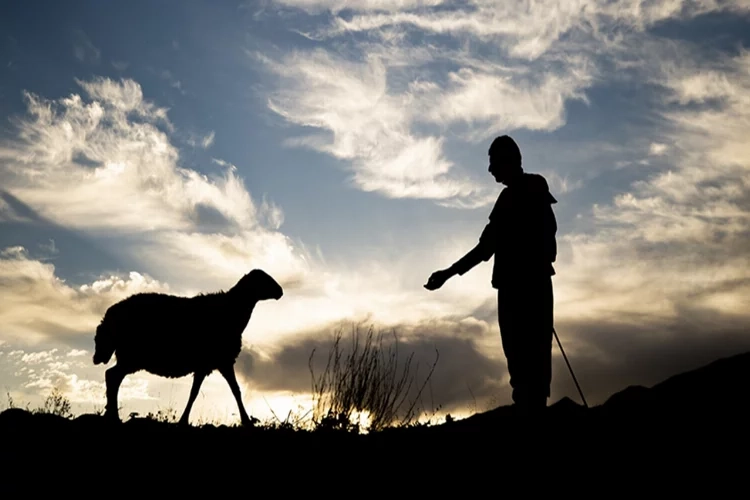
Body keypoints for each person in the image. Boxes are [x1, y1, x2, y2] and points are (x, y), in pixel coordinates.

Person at [424, 135, 558, 414]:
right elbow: (487, 247)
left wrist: (448, 273)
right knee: (525, 358)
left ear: (508, 161)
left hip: (524, 288)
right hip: (524, 287)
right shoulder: (519, 193)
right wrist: (448, 273)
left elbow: (491, 247)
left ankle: (532, 412)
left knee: (528, 357)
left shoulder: (526, 190)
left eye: (493, 163)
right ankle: (530, 409)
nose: (490, 170)